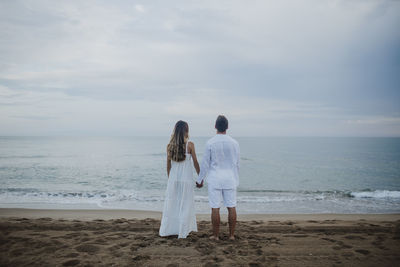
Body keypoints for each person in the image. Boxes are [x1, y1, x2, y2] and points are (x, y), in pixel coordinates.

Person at [196, 115, 240, 240]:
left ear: (215, 126)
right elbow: (237, 163)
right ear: (227, 127)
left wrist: (200, 180)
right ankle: (231, 235)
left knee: (215, 207)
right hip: (230, 178)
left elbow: (205, 164)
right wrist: (236, 179)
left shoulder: (210, 142)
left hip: (215, 178)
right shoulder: (234, 143)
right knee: (231, 206)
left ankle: (215, 236)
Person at [159, 120, 200, 238]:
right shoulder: (190, 145)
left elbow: (168, 166)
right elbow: (196, 162)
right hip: (186, 179)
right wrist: (200, 177)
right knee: (185, 205)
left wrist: (170, 180)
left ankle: (169, 229)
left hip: (174, 179)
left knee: (173, 204)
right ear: (186, 130)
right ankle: (182, 231)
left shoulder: (169, 146)